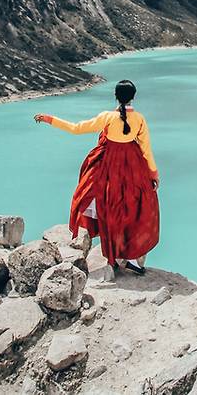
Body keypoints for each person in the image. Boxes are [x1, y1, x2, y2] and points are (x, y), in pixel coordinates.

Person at [34, 79, 159, 278]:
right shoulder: (140, 119)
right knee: (133, 211)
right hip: (133, 167)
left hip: (108, 167)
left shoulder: (107, 117)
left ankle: (111, 260)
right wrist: (153, 173)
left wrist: (51, 119)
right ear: (134, 97)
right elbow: (146, 150)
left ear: (116, 96)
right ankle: (132, 260)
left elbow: (76, 128)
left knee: (108, 209)